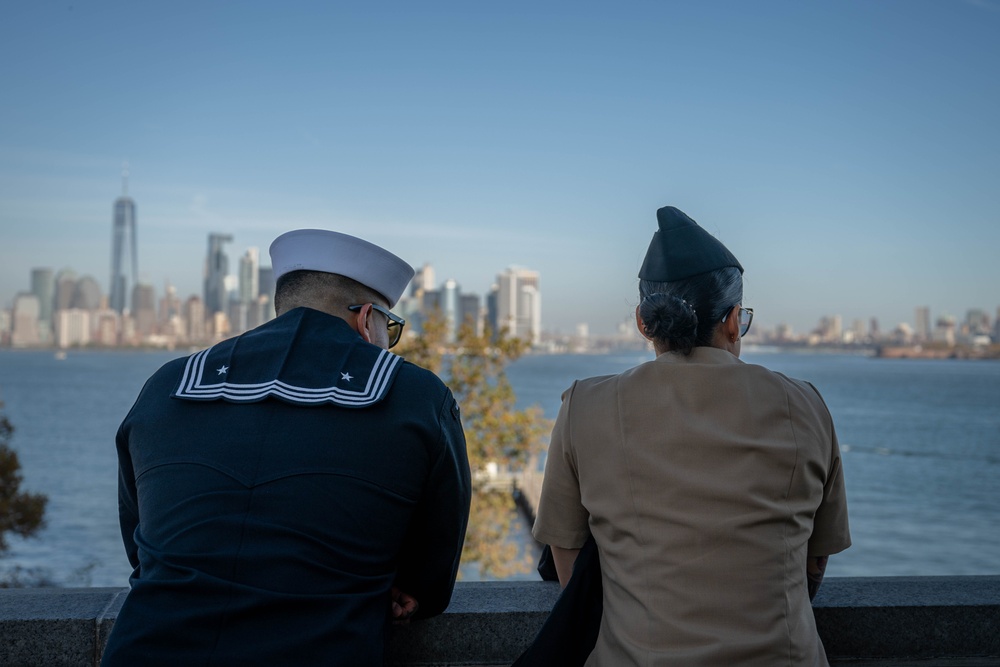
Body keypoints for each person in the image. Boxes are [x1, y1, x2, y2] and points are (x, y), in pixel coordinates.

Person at [102, 229, 472, 666]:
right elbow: (429, 579)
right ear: (366, 318)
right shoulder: (417, 395)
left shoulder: (168, 384)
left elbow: (141, 547)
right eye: (388, 328)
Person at [530, 206, 851, 666]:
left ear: (644, 322)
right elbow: (815, 562)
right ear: (734, 320)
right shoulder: (806, 404)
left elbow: (566, 551)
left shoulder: (586, 405)